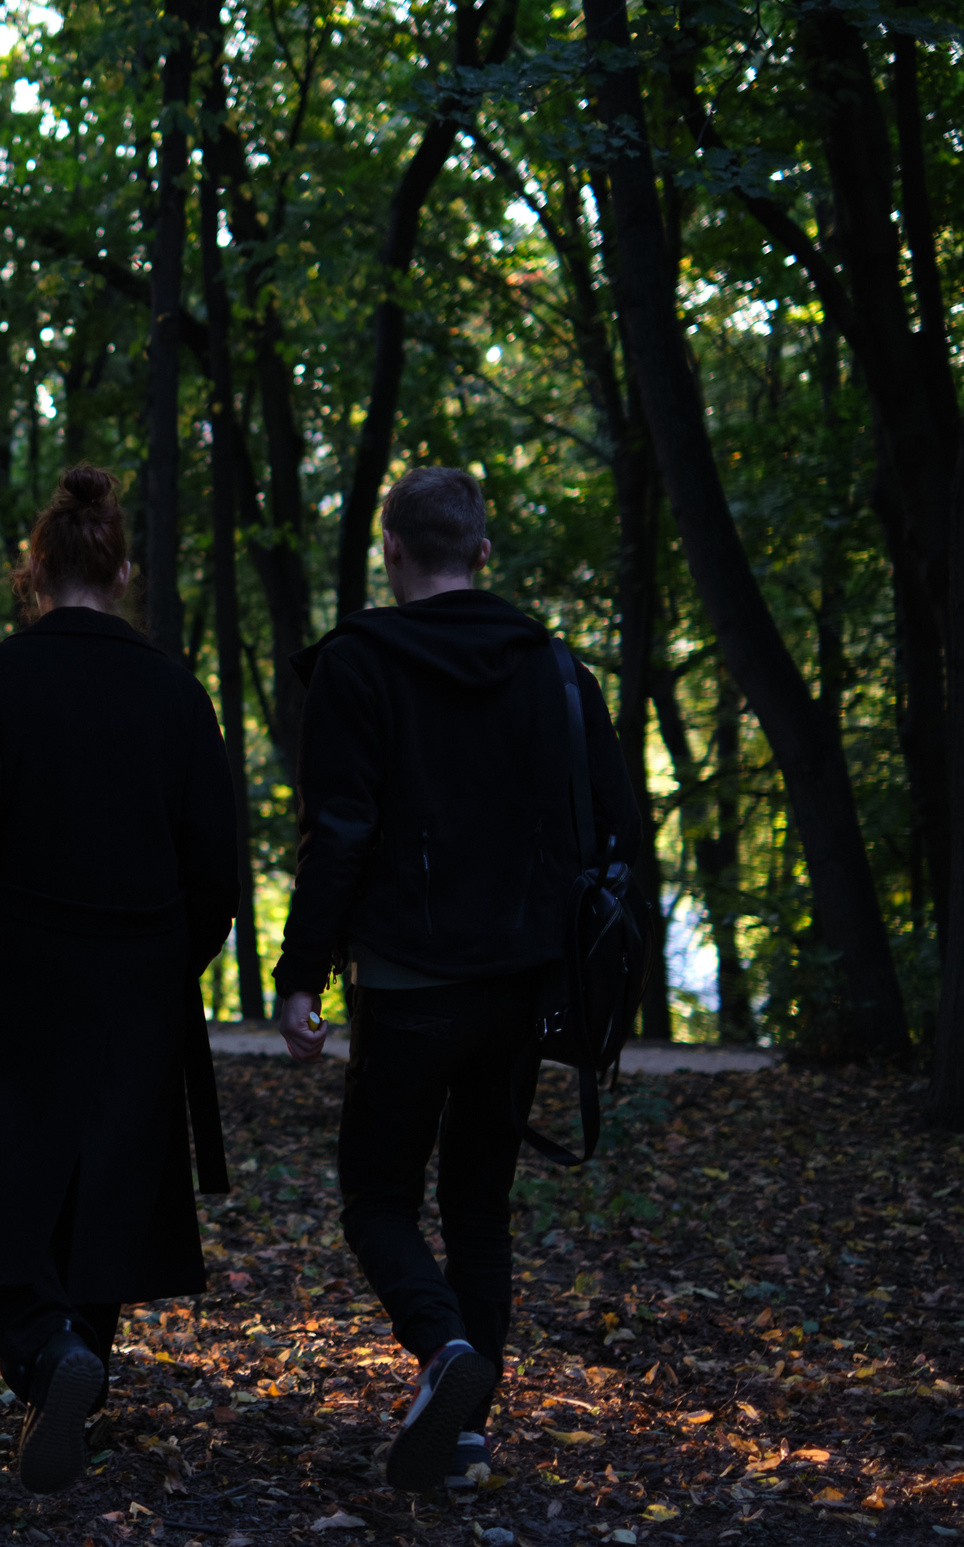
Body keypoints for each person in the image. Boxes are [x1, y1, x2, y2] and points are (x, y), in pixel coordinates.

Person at [269, 465, 640, 1493]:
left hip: (406, 982)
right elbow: (610, 836)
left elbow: (337, 832)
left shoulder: (355, 666)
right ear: (481, 555)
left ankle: (443, 1354)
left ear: (391, 553)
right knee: (478, 1204)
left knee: (375, 1197)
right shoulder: (557, 671)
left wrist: (302, 979)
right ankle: (466, 1435)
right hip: (524, 985)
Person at [0, 465, 239, 1498]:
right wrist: (173, 957)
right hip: (135, 976)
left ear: (33, 571)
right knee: (106, 1187)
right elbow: (214, 862)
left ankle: (45, 1354)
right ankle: (73, 1363)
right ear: (121, 571)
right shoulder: (176, 692)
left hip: (9, 974)